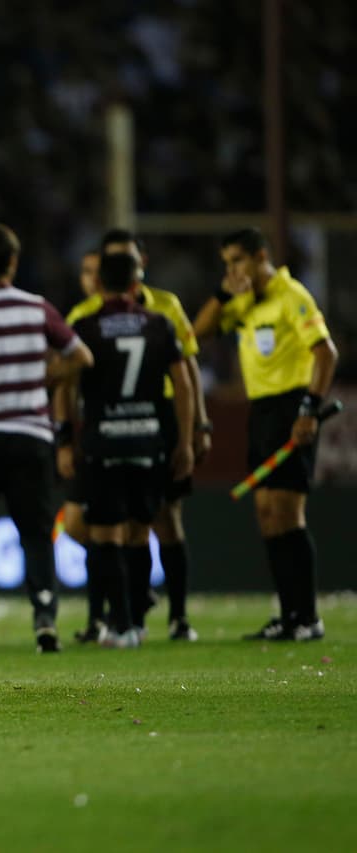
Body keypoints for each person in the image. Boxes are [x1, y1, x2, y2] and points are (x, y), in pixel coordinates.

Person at [0, 223, 92, 653]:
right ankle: (45, 616)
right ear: (13, 261)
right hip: (30, 437)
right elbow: (82, 357)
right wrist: (46, 377)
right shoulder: (37, 309)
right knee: (35, 531)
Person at [63, 230, 210, 642]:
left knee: (124, 528)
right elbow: (185, 376)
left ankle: (132, 621)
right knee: (137, 529)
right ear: (134, 278)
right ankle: (126, 616)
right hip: (152, 429)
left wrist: (64, 435)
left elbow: (65, 384)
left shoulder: (87, 324)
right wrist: (184, 437)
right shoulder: (158, 322)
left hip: (105, 432)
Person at [192, 228, 336, 641]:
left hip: (292, 407)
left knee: (289, 512)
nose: (232, 269)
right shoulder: (244, 302)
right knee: (267, 514)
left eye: (237, 261)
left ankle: (307, 617)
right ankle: (289, 615)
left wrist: (309, 409)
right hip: (261, 411)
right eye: (226, 263)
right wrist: (223, 293)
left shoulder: (292, 296)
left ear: (260, 257)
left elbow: (325, 353)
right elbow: (197, 333)